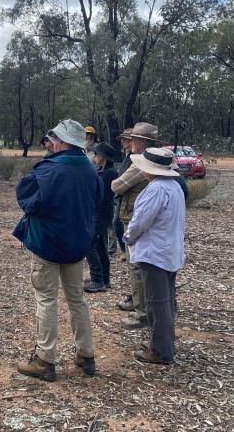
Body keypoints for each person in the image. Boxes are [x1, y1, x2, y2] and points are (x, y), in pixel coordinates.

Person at [14, 119, 102, 381]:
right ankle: (86, 356)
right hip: (76, 245)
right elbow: (96, 202)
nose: (51, 143)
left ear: (62, 142)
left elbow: (27, 199)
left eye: (54, 139)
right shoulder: (90, 170)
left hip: (47, 244)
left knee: (46, 299)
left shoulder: (49, 170)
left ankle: (44, 359)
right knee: (77, 299)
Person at [124, 147, 186, 364]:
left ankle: (161, 351)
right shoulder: (174, 187)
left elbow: (140, 221)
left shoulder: (156, 189)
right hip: (169, 252)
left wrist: (128, 237)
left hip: (155, 254)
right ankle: (162, 342)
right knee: (166, 301)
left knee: (157, 303)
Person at [111, 122, 159, 329]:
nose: (128, 143)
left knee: (137, 267)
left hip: (136, 220)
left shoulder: (143, 162)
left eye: (132, 139)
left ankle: (143, 314)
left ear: (142, 142)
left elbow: (117, 185)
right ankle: (149, 308)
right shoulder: (156, 160)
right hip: (145, 220)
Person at [84, 142, 119, 293]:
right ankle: (105, 278)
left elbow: (99, 195)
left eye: (97, 154)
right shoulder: (104, 171)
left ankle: (97, 279)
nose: (95, 156)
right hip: (100, 213)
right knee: (100, 246)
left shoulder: (109, 173)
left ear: (104, 157)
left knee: (89, 245)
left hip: (101, 214)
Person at [110, 128, 133, 259]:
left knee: (119, 222)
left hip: (126, 194)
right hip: (120, 194)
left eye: (125, 139)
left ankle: (126, 250)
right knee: (117, 222)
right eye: (122, 139)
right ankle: (125, 249)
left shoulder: (134, 157)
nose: (123, 141)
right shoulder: (127, 156)